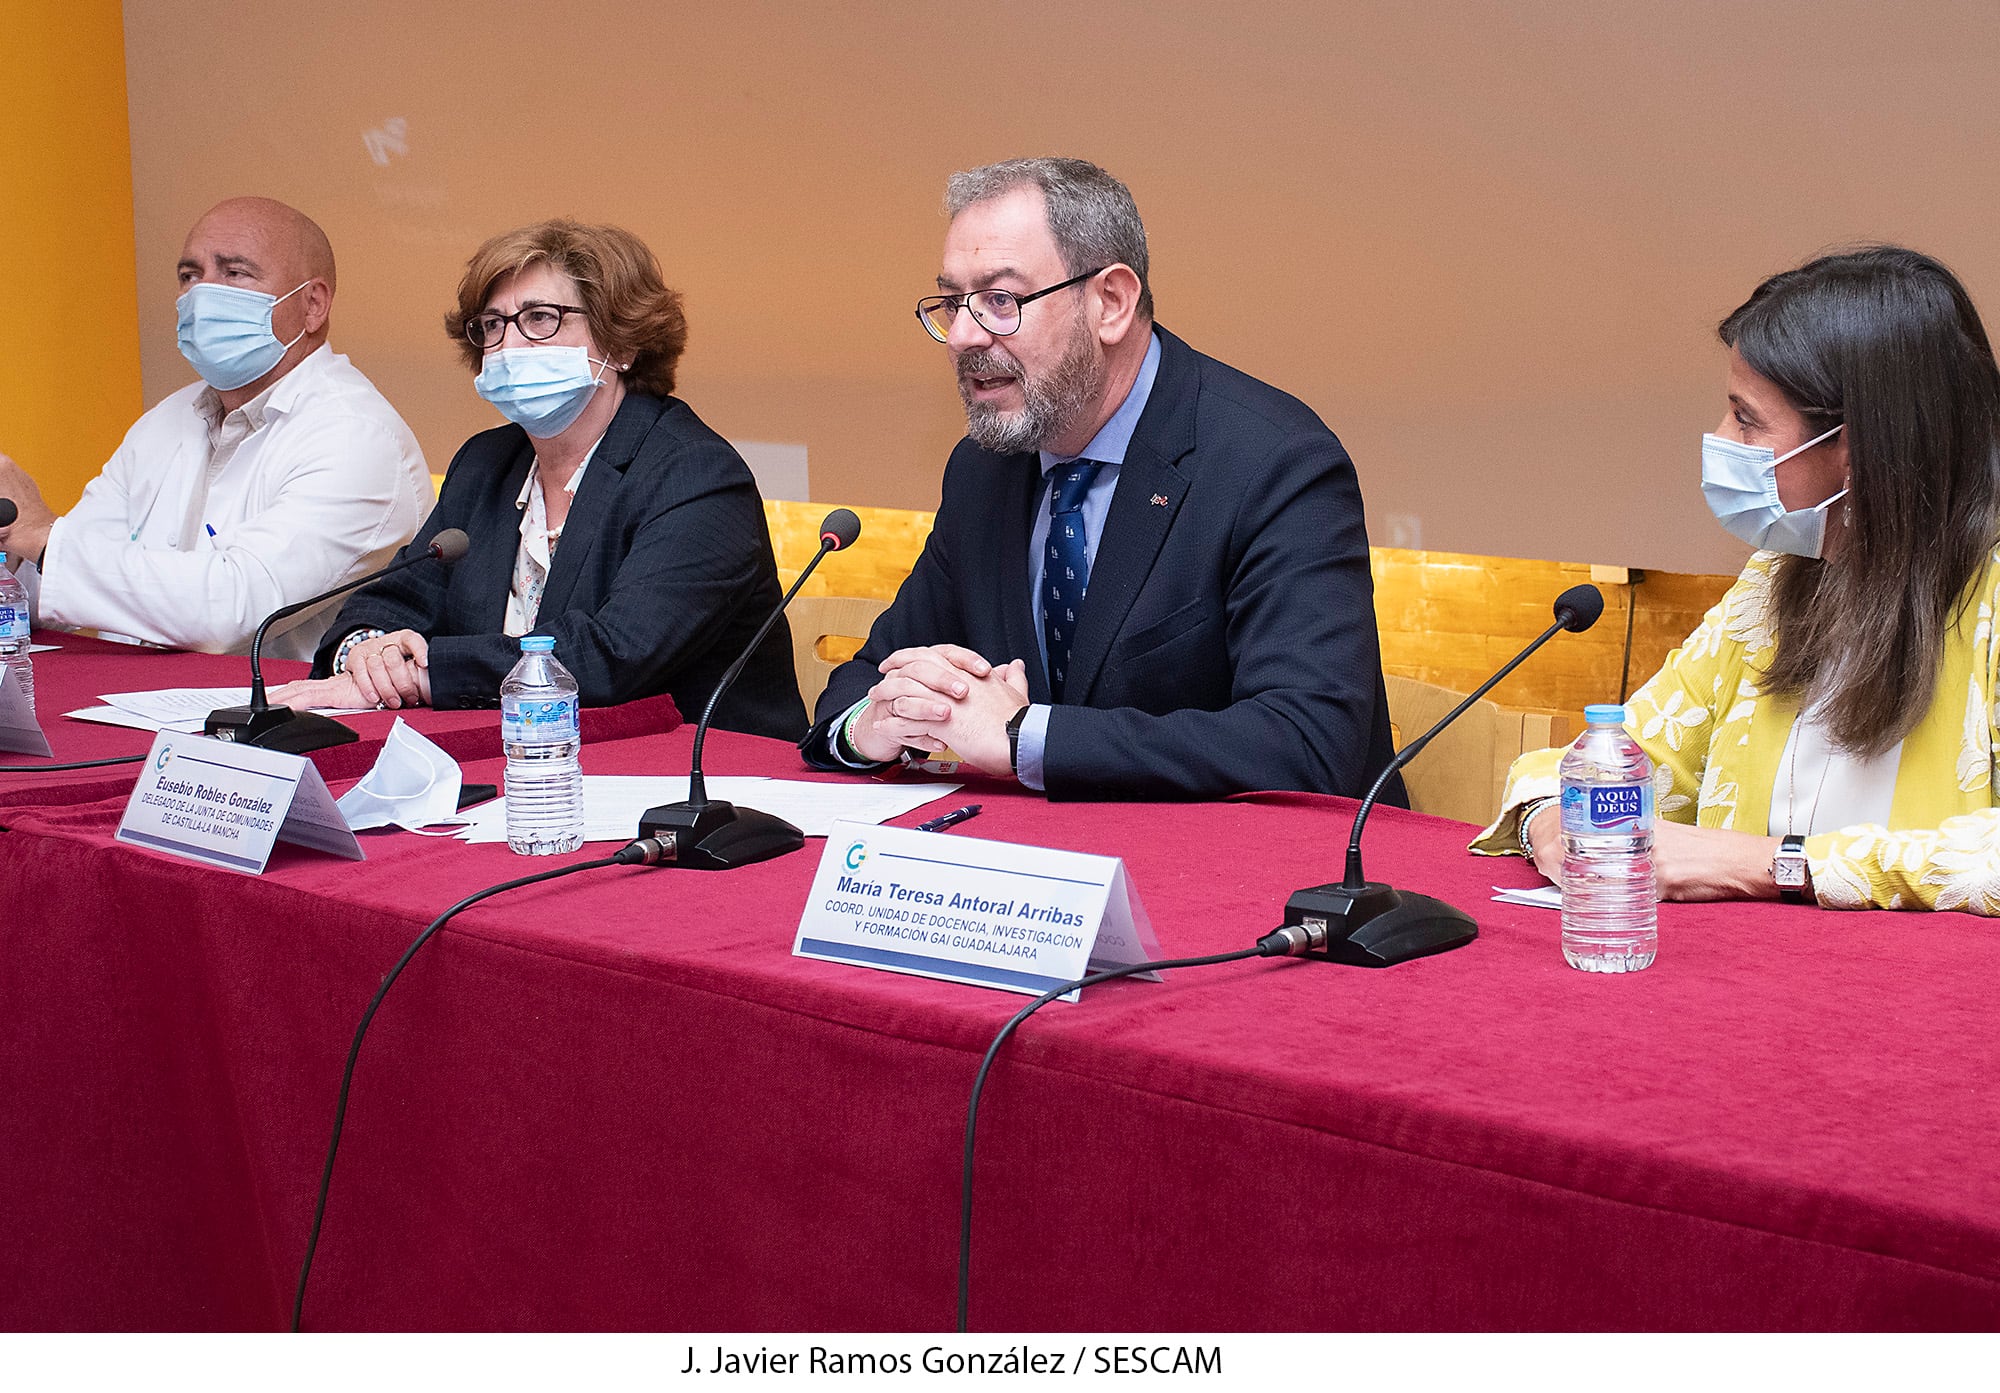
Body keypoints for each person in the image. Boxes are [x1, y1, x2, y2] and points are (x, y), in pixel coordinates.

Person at [799, 157, 1399, 801]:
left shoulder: (1274, 462)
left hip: (1269, 880)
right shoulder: (984, 468)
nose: (963, 336)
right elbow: (868, 676)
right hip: (1048, 874)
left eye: (1001, 301)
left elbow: (1308, 741)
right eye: (953, 303)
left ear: (1111, 302)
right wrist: (877, 723)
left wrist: (1025, 738)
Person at [1476, 245, 2000, 915]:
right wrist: (1548, 819)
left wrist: (1774, 863)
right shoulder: (1772, 586)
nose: (1720, 437)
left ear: (1861, 447)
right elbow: (1616, 759)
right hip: (1749, 986)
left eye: (1747, 418)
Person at [272, 219, 805, 738]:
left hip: (699, 780)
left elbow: (612, 655)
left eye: (542, 319)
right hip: (516, 756)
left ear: (621, 344)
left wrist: (423, 675)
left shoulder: (696, 475)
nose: (509, 346)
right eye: (494, 324)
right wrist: (368, 651)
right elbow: (390, 600)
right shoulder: (485, 463)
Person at [0, 197, 428, 658]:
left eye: (234, 273)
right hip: (136, 707)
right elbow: (65, 580)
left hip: (284, 722)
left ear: (313, 304)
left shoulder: (358, 437)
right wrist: (13, 548)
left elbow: (233, 609)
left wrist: (42, 536)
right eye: (190, 275)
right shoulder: (169, 417)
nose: (202, 294)